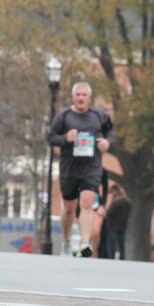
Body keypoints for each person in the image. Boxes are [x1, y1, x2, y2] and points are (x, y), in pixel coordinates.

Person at [47, 81, 114, 257]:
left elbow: (110, 133)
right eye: (78, 95)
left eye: (84, 95)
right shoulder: (64, 116)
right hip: (69, 168)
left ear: (89, 98)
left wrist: (107, 143)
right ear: (73, 97)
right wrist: (66, 138)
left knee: (86, 203)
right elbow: (51, 137)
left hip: (91, 167)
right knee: (69, 208)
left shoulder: (99, 116)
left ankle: (84, 243)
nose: (81, 98)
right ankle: (67, 241)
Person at [104, 184, 131, 260]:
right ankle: (122, 258)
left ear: (115, 191)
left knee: (111, 243)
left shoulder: (116, 201)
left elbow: (109, 212)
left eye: (112, 192)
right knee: (121, 244)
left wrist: (105, 214)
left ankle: (111, 257)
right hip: (123, 225)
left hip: (113, 225)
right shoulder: (128, 201)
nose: (111, 194)